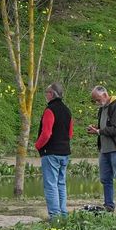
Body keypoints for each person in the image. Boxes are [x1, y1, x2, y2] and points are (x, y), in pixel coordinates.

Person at [35, 82, 72, 220]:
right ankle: (63, 213)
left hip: (51, 152)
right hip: (64, 152)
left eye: (47, 92)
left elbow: (46, 133)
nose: (46, 95)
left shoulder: (50, 110)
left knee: (50, 185)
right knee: (61, 183)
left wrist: (38, 145)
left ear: (51, 94)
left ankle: (55, 216)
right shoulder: (67, 111)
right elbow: (70, 133)